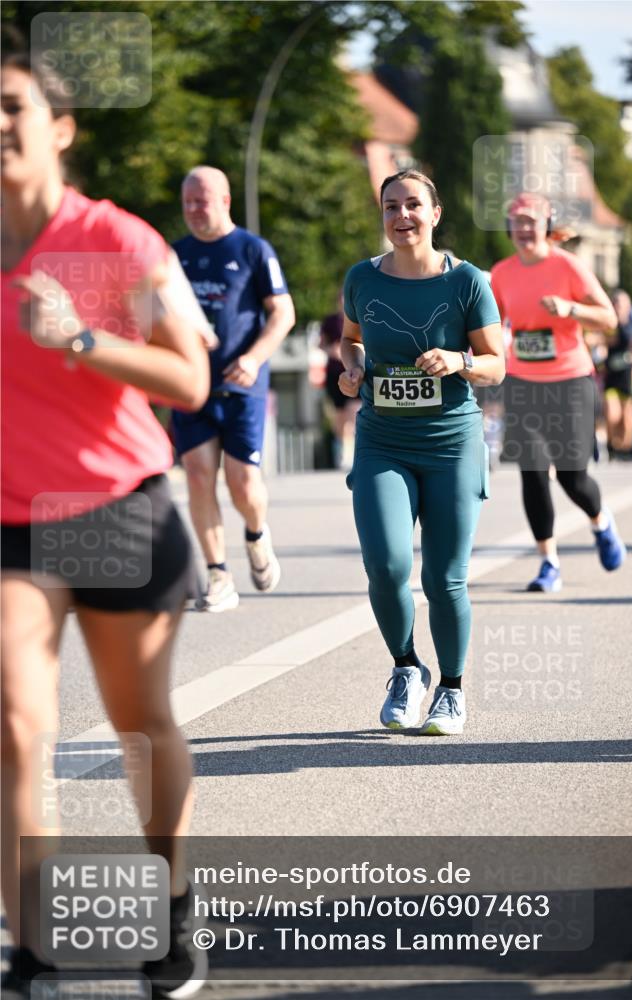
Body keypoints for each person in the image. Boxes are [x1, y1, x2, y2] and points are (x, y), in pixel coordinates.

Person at [1, 50, 212, 997]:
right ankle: (35, 951)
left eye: (11, 106)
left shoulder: (117, 241)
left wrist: (82, 340)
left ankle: (172, 910)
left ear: (60, 127)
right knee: (15, 728)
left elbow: (189, 378)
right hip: (12, 522)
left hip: (118, 505)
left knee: (140, 723)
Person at [339, 170, 504, 736]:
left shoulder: (467, 281)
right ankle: (407, 668)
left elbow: (496, 364)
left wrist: (459, 360)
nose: (401, 215)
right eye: (391, 206)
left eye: (413, 205)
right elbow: (350, 338)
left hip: (451, 444)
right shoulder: (362, 278)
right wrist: (354, 368)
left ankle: (452, 691)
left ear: (435, 213)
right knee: (386, 567)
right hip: (382, 440)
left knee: (444, 578)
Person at [172, 167, 295, 611]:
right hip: (191, 385)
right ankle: (218, 574)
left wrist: (254, 358)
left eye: (201, 201)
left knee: (242, 483)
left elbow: (283, 312)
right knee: (198, 474)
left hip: (242, 385)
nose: (193, 210)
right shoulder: (174, 255)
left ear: (224, 201)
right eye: (187, 202)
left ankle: (257, 534)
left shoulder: (252, 249)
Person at [491, 192, 626, 594]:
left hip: (570, 380)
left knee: (572, 476)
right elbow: (492, 325)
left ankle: (601, 522)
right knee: (532, 473)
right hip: (522, 382)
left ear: (546, 225)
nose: (524, 229)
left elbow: (609, 317)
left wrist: (571, 309)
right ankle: (548, 562)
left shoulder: (567, 266)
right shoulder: (502, 273)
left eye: (531, 221)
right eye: (517, 222)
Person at [319, 293, 361, 469]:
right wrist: (332, 350)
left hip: (355, 372)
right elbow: (321, 344)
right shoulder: (330, 321)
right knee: (340, 417)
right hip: (334, 373)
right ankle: (342, 449)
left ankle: (352, 452)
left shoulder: (359, 318)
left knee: (354, 413)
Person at [603, 290, 632, 460]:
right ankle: (611, 445)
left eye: (620, 303)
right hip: (611, 377)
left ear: (628, 306)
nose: (617, 306)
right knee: (613, 414)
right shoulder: (608, 325)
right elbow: (601, 340)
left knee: (628, 419)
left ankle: (623, 448)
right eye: (615, 303)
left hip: (629, 378)